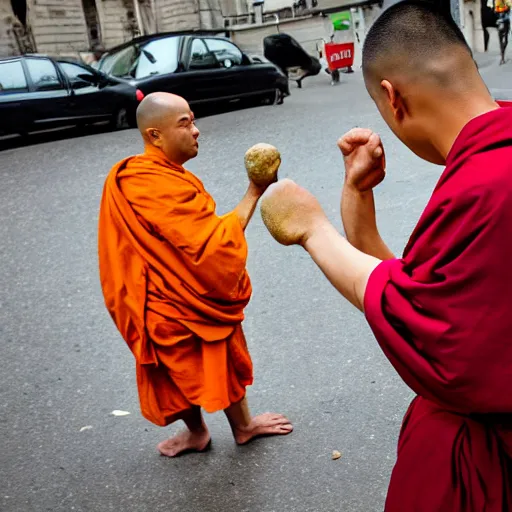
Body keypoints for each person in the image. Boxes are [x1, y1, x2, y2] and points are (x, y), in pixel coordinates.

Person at [260, 1, 512, 509]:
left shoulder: (492, 183)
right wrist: (358, 200)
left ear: (392, 98)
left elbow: (432, 335)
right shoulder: (494, 155)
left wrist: (313, 229)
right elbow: (427, 294)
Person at [98, 92, 292, 457]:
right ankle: (198, 431)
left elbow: (199, 241)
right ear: (154, 136)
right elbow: (213, 247)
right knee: (177, 363)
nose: (197, 131)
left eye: (193, 120)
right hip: (158, 296)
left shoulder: (160, 176)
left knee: (215, 350)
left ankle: (241, 426)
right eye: (184, 124)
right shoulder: (138, 181)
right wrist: (254, 191)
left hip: (176, 290)